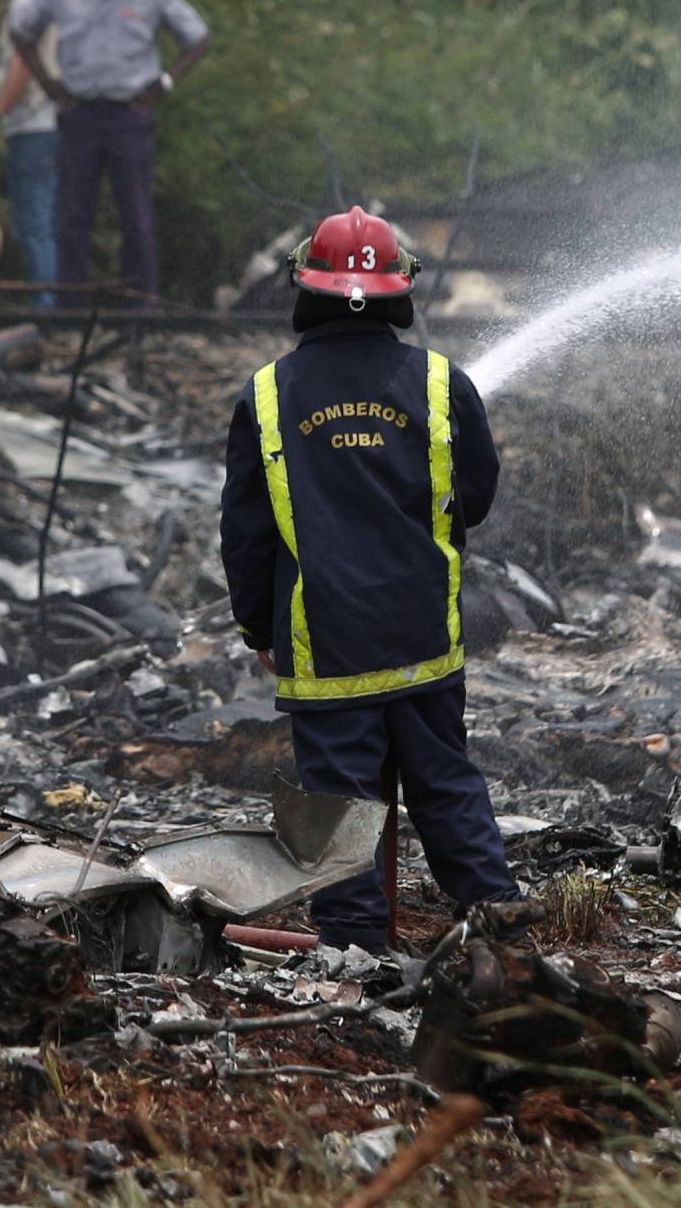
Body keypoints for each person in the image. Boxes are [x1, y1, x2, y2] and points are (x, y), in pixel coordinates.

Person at [218, 207, 521, 950]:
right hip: (422, 634)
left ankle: (358, 953)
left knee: (341, 801)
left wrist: (260, 627)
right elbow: (474, 499)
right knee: (446, 783)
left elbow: (246, 534)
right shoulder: (443, 384)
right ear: (398, 291)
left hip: (325, 643)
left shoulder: (266, 397)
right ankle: (500, 920)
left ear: (306, 288)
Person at [10, 0, 209, 308]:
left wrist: (165, 82)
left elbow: (197, 37)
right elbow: (22, 30)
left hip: (129, 116)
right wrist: (50, 84)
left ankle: (141, 305)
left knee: (136, 217)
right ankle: (72, 307)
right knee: (72, 216)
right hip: (79, 114)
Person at [0, 0, 63, 306]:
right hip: (63, 120)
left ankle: (44, 311)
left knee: (33, 221)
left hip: (32, 121)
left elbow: (20, 64)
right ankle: (57, 304)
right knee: (50, 217)